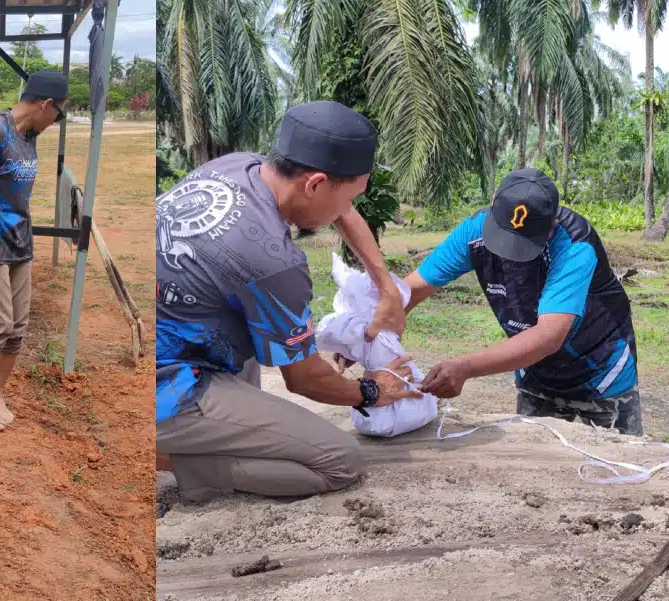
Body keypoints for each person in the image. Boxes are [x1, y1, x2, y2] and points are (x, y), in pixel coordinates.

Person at [155, 100, 422, 504]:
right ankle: (172, 458)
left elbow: (340, 211)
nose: (349, 208)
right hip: (168, 383)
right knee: (339, 460)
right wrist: (372, 391)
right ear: (314, 184)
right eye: (351, 194)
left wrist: (385, 287)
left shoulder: (241, 167)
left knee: (248, 339)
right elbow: (304, 379)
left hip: (164, 327)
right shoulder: (275, 264)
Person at [401, 168, 642, 435]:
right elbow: (410, 290)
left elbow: (549, 336)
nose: (510, 255)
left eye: (523, 245)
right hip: (535, 373)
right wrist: (363, 334)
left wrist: (464, 368)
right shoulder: (472, 233)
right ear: (492, 207)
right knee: (532, 462)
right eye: (502, 238)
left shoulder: (574, 246)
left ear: (552, 227)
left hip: (600, 376)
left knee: (616, 466)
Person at [0, 70, 68, 432]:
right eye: (59, 113)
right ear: (45, 104)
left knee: (18, 327)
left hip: (21, 243)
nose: (57, 121)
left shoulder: (29, 135)